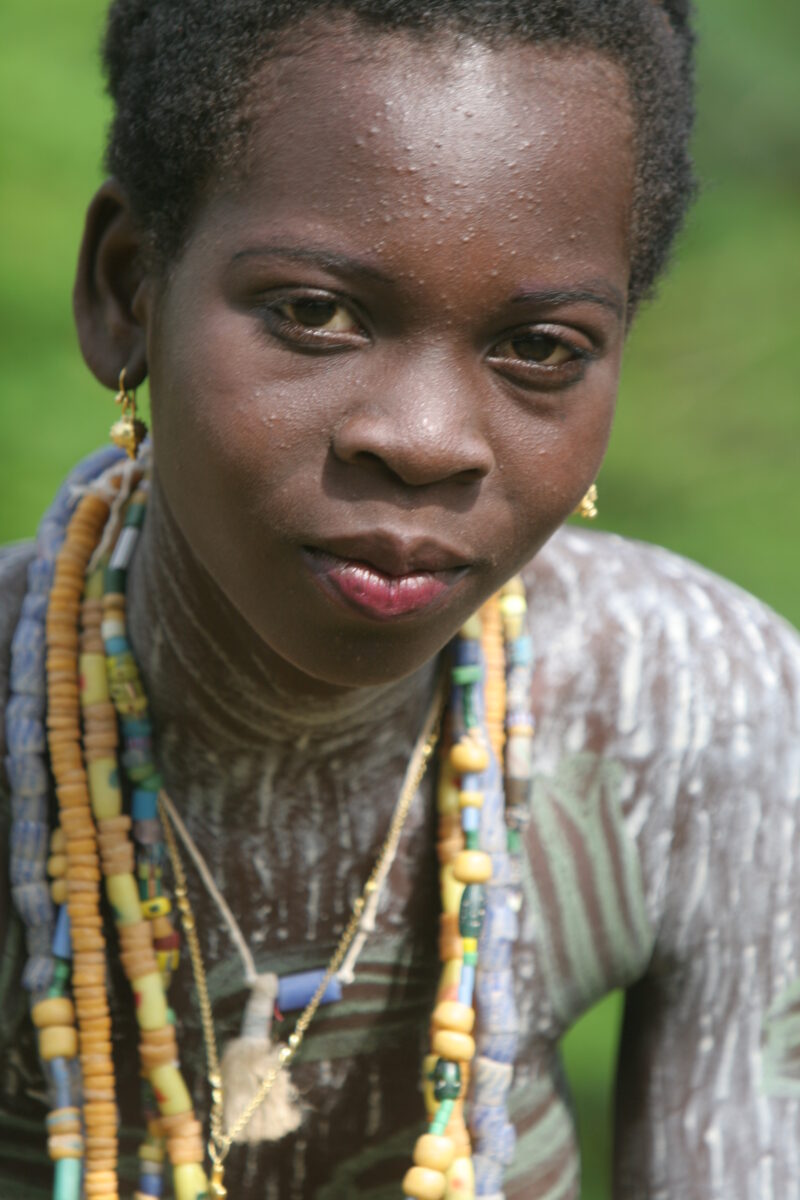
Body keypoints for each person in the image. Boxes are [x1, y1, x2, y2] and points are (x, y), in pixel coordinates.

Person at [1, 1, 798, 1198]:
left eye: (541, 346)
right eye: (314, 313)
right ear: (127, 293)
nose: (424, 443)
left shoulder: (686, 705)